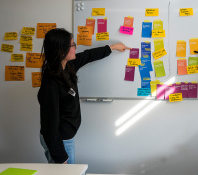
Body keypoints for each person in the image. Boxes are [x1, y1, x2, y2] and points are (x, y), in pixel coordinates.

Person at [38, 28, 130, 164]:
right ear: (60, 50)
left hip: (65, 137)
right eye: (72, 45)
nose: (75, 48)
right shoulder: (51, 83)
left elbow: (89, 55)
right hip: (58, 140)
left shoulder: (67, 66)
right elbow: (49, 126)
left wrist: (114, 47)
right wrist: (61, 157)